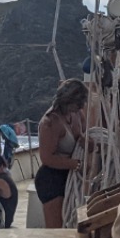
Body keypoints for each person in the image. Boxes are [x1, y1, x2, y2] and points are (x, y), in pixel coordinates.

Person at [35, 78, 88, 229]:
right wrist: (76, 164)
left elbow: (82, 136)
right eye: (79, 103)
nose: (81, 106)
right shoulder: (50, 122)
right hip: (51, 180)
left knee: (73, 225)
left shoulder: (76, 114)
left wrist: (87, 142)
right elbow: (47, 158)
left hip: (69, 176)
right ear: (68, 100)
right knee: (56, 230)